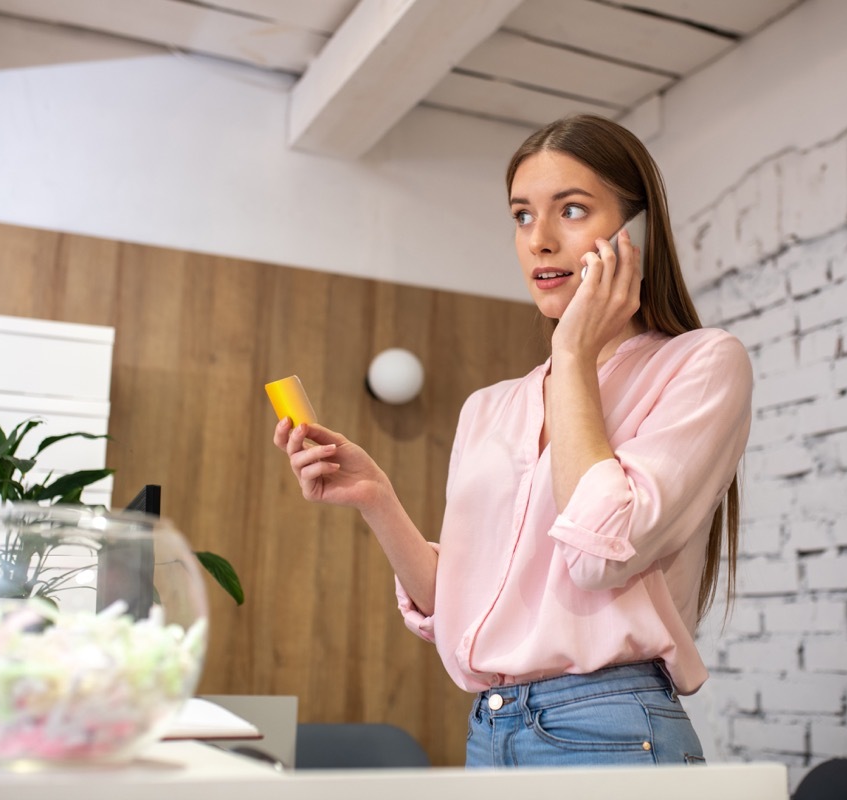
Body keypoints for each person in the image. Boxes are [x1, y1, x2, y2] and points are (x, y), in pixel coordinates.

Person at [273, 114, 753, 768]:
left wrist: (575, 353)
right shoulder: (489, 408)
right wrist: (376, 499)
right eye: (522, 216)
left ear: (636, 235)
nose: (541, 240)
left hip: (609, 727)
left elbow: (598, 554)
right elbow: (459, 610)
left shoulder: (702, 364)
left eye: (573, 210)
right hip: (491, 731)